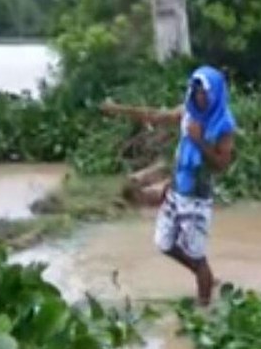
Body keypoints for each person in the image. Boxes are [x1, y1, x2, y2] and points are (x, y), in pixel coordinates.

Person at [99, 65, 236, 307]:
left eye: (204, 92)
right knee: (164, 243)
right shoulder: (188, 113)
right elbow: (154, 116)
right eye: (196, 91)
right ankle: (203, 275)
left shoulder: (223, 124)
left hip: (197, 197)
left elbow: (221, 164)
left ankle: (204, 308)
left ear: (215, 93)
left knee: (197, 256)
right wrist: (118, 109)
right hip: (176, 191)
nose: (199, 97)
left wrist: (199, 140)